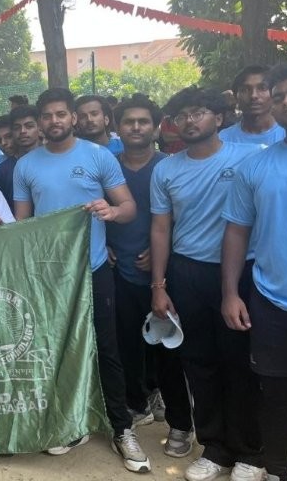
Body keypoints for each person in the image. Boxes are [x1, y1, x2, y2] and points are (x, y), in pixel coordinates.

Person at [13, 87, 149, 474]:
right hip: (48, 275)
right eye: (47, 116)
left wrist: (112, 211)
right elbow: (21, 224)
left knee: (107, 349)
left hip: (93, 269)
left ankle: (122, 429)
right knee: (57, 349)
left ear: (73, 117)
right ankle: (71, 424)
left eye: (61, 114)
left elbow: (128, 207)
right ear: (40, 122)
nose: (54, 121)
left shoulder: (98, 156)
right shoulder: (26, 165)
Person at [149, 87, 264, 481]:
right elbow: (161, 227)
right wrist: (159, 285)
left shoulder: (250, 157)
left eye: (198, 112)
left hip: (241, 273)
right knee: (199, 363)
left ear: (219, 117)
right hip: (187, 272)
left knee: (241, 364)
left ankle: (251, 453)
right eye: (182, 115)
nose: (189, 120)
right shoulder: (166, 169)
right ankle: (215, 449)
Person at [221, 63, 287, 481]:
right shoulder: (254, 167)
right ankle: (277, 469)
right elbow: (236, 232)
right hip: (272, 300)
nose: (286, 102)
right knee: (277, 394)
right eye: (280, 97)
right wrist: (230, 293)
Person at [106, 94, 194, 458]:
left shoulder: (170, 167)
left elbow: (183, 218)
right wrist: (104, 244)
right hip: (119, 271)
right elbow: (95, 211)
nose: (136, 127)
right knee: (125, 345)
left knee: (170, 352)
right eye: (129, 121)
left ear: (156, 127)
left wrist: (160, 254)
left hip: (165, 274)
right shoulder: (107, 165)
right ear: (118, 126)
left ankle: (181, 423)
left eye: (144, 121)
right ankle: (136, 404)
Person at [219, 65, 286, 145]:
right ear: (235, 97)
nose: (253, 96)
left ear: (275, 94)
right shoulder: (223, 140)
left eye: (262, 88)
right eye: (245, 90)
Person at [0, 105, 41, 212]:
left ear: (39, 127)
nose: (23, 131)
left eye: (29, 126)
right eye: (17, 128)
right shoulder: (3, 170)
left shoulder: (53, 157)